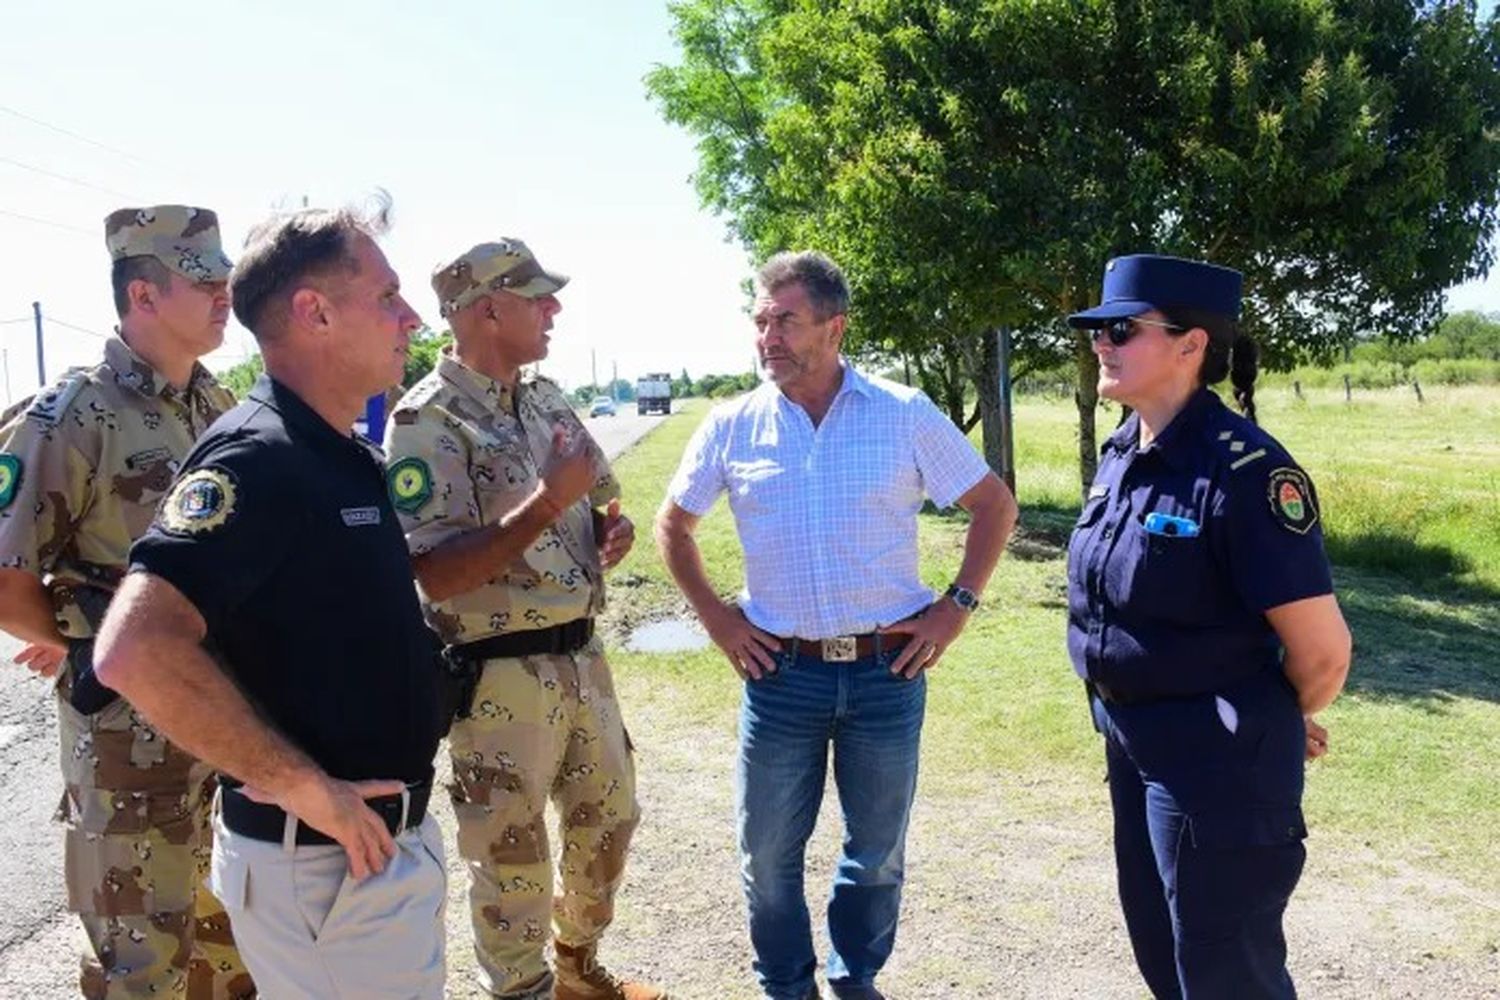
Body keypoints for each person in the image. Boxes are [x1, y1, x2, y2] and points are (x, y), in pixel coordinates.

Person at [92, 199, 448, 1000]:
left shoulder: (334, 450)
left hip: (362, 863)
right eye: (388, 296)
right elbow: (134, 648)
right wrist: (300, 784)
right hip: (324, 870)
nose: (412, 317)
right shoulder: (260, 456)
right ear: (314, 312)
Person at [654, 251, 1017, 1000]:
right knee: (766, 852)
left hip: (889, 673)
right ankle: (786, 986)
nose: (768, 337)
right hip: (780, 676)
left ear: (835, 326)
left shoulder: (903, 413)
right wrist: (720, 621)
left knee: (877, 852)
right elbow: (673, 527)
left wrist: (955, 609)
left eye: (785, 319)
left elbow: (994, 505)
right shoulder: (732, 426)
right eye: (760, 320)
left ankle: (857, 980)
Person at [1063, 254, 1353, 998]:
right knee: (1165, 956)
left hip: (1215, 764)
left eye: (1123, 329)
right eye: (1099, 329)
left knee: (1228, 975)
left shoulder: (1245, 473)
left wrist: (1273, 720)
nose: (1103, 343)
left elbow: (1322, 651)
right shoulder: (1123, 453)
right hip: (1134, 745)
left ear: (1192, 345)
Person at [384, 239, 663, 1000]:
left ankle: (576, 963)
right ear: (486, 309)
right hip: (497, 676)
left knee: (610, 822)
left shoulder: (544, 398)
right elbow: (434, 570)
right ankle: (521, 991)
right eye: (537, 297)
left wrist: (610, 530)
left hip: (582, 656)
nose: (554, 309)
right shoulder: (425, 421)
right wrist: (545, 499)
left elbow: (600, 494)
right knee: (511, 858)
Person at [0, 205, 253, 999]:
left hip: (228, 717)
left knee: (233, 947)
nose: (224, 295)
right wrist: (84, 646)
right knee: (142, 962)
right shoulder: (73, 414)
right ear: (143, 295)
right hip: (127, 740)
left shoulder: (223, 412)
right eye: (204, 279)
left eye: (227, 279)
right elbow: (6, 576)